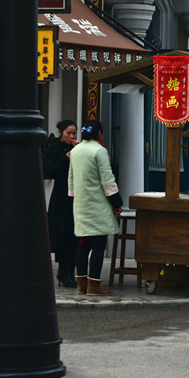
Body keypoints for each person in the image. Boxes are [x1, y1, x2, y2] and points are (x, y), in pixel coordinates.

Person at [68, 120, 123, 296]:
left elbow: (71, 179)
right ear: (99, 133)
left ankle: (81, 285)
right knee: (99, 245)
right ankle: (94, 285)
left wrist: (76, 198)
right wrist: (117, 203)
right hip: (97, 205)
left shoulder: (75, 151)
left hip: (81, 204)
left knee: (83, 245)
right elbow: (107, 180)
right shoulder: (99, 151)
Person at [43, 120, 80, 288]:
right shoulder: (53, 150)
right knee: (63, 233)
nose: (72, 137)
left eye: (74, 133)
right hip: (61, 197)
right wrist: (66, 159)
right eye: (68, 133)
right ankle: (63, 271)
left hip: (76, 196)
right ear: (60, 133)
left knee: (75, 236)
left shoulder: (78, 148)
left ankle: (71, 272)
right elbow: (50, 171)